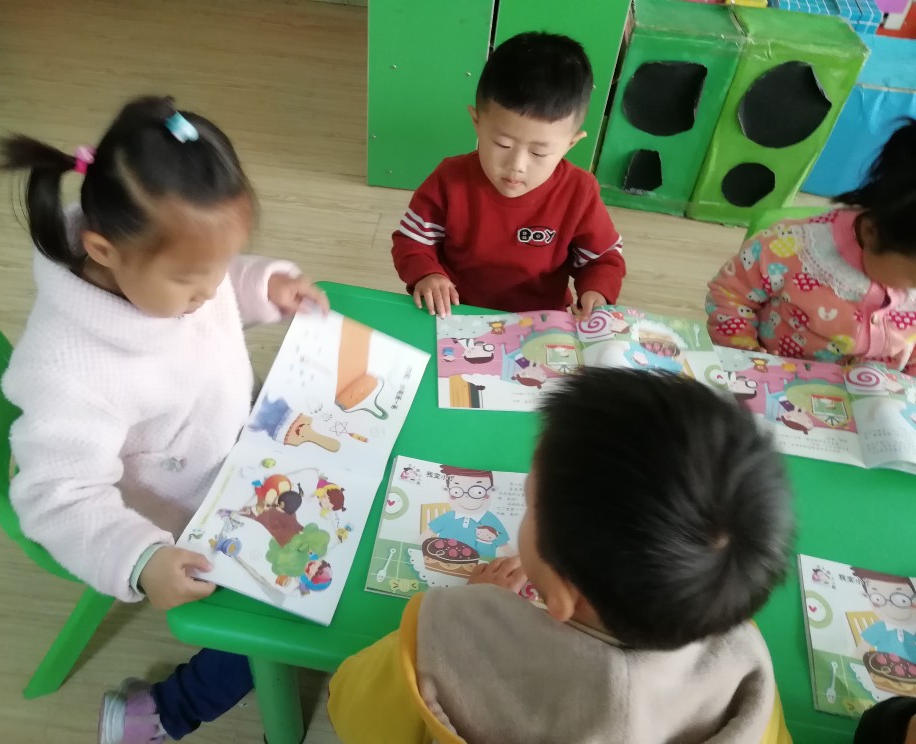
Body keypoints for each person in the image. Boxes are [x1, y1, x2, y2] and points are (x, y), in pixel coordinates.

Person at [0, 95, 327, 744]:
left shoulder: (166, 264)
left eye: (220, 269)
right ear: (102, 249)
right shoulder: (68, 371)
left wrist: (264, 288)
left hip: (235, 454)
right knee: (286, 618)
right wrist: (142, 558)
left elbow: (217, 286)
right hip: (182, 517)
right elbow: (55, 498)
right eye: (191, 281)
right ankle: (164, 713)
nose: (210, 292)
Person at [329, 369, 796, 743]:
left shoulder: (449, 628)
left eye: (529, 502)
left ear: (561, 595)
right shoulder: (748, 668)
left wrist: (479, 606)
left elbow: (350, 706)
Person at [391, 32, 625, 318]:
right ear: (477, 122)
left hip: (540, 322)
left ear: (570, 144)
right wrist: (427, 274)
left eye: (539, 152)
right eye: (502, 144)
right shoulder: (450, 179)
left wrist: (597, 291)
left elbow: (602, 257)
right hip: (456, 315)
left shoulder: (579, 191)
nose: (517, 165)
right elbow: (413, 241)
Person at [707, 119, 916, 373]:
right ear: (873, 232)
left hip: (878, 390)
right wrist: (744, 354)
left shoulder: (899, 257)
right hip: (774, 378)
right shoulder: (791, 247)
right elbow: (729, 295)